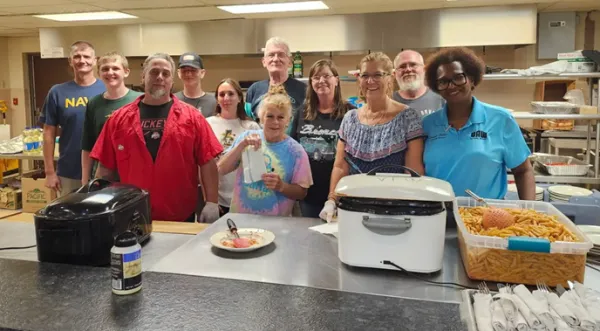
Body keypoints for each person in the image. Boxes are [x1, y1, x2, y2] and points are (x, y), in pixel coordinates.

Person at [90, 53, 223, 222]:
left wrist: (212, 202)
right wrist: (100, 203)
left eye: (165, 73)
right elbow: (105, 168)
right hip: (131, 213)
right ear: (143, 76)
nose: (160, 77)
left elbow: (207, 162)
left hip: (179, 214)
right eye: (154, 72)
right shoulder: (118, 120)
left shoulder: (193, 118)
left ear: (171, 81)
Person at [320, 52, 425, 222]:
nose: (370, 81)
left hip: (395, 212)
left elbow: (413, 171)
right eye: (365, 75)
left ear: (390, 78)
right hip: (353, 209)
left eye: (377, 75)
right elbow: (340, 167)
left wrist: (409, 212)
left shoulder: (408, 117)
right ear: (359, 80)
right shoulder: (350, 119)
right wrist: (331, 200)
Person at [422, 47, 535, 200]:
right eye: (443, 81)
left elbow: (523, 171)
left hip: (485, 216)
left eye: (458, 77)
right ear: (437, 88)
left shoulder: (500, 119)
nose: (451, 85)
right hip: (438, 213)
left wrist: (528, 211)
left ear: (472, 80)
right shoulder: (428, 125)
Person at [218, 84, 313, 217]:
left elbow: (302, 192)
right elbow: (221, 169)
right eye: (269, 116)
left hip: (277, 222)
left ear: (288, 121)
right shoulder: (247, 138)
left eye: (280, 117)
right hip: (241, 219)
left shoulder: (296, 151)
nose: (275, 122)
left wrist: (282, 186)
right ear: (261, 118)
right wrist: (241, 145)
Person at [42, 41, 106, 196]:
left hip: (104, 171)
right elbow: (48, 133)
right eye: (77, 56)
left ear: (95, 60)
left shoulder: (107, 89)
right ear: (70, 61)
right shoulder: (57, 92)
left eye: (86, 56)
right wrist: (49, 172)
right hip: (68, 171)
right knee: (68, 218)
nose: (82, 60)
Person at [293, 59, 354, 218]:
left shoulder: (350, 113)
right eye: (316, 77)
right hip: (309, 194)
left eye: (326, 76)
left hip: (342, 192)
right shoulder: (303, 112)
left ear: (336, 80)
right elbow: (291, 146)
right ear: (311, 83)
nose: (321, 81)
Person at [81, 51, 142, 185]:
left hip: (134, 173)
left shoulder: (140, 100)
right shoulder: (94, 104)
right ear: (99, 74)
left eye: (115, 68)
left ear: (126, 72)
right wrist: (85, 180)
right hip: (103, 175)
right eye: (105, 69)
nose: (110, 72)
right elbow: (87, 145)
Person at [207, 79, 261, 216]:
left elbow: (257, 167)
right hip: (217, 198)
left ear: (239, 98)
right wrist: (210, 200)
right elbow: (203, 164)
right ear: (217, 99)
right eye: (222, 94)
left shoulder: (251, 127)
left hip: (244, 198)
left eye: (231, 94)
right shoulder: (208, 124)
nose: (226, 98)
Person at [245, 37, 306, 135]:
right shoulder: (254, 90)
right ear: (264, 61)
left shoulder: (304, 90)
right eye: (271, 55)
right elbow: (246, 122)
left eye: (281, 55)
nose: (276, 59)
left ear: (290, 62)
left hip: (292, 148)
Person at [393, 50, 445, 118]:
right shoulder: (387, 102)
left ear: (424, 69)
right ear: (394, 74)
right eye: (402, 66)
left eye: (413, 65)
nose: (408, 69)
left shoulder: (441, 98)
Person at [174, 52, 217, 118]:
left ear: (202, 73)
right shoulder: (173, 100)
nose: (188, 74)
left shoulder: (214, 102)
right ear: (179, 73)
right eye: (184, 71)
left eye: (193, 70)